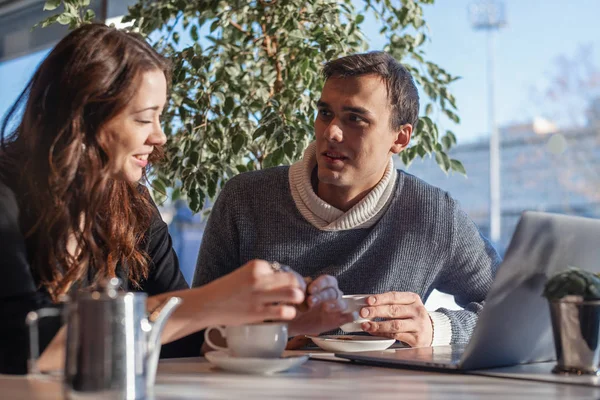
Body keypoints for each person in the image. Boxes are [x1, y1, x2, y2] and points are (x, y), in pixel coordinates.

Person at [0, 23, 349, 375]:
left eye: (160, 116)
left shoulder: (130, 204)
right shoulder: (6, 194)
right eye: (143, 118)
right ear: (83, 117)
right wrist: (211, 300)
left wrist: (280, 319)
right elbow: (17, 344)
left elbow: (182, 338)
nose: (160, 136)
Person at [194, 51, 502, 348]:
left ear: (400, 138)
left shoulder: (432, 215)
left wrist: (437, 329)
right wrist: (268, 339)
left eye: (355, 119)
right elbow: (196, 329)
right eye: (325, 113)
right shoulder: (246, 199)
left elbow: (515, 306)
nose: (331, 133)